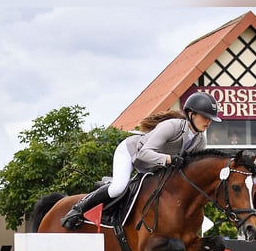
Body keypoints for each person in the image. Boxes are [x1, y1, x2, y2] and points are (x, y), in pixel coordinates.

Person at [60, 91, 222, 230]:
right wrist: (168, 159)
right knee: (118, 187)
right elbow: (143, 154)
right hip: (130, 153)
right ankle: (78, 208)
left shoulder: (200, 141)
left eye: (210, 119)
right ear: (191, 114)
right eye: (205, 117)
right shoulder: (172, 126)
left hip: (153, 167)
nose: (208, 122)